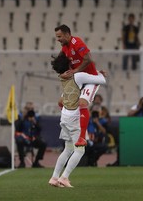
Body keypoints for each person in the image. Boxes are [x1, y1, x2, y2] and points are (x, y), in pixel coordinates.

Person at [48, 52, 106, 188]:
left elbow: (60, 102)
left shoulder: (64, 78)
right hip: (74, 117)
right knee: (80, 150)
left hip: (65, 116)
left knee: (68, 149)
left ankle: (54, 177)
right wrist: (100, 74)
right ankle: (64, 177)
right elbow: (102, 80)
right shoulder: (78, 76)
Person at [55, 24, 99, 147]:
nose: (58, 39)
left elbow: (88, 59)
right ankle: (71, 123)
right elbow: (62, 62)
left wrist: (75, 71)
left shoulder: (77, 42)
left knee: (82, 103)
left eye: (59, 36)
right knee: (60, 102)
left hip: (89, 79)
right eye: (57, 37)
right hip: (77, 80)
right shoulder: (65, 48)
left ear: (67, 34)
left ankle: (82, 136)